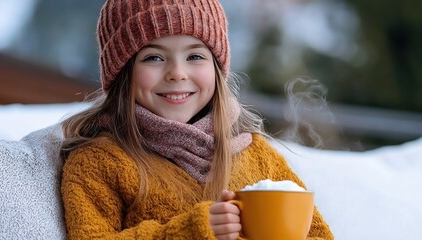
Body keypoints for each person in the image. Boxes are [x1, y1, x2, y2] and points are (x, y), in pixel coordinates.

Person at [59, 0, 334, 239]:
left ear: (216, 69)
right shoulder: (98, 162)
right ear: (123, 73)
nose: (177, 73)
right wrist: (193, 231)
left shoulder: (259, 156)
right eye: (154, 57)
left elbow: (318, 234)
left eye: (195, 56)